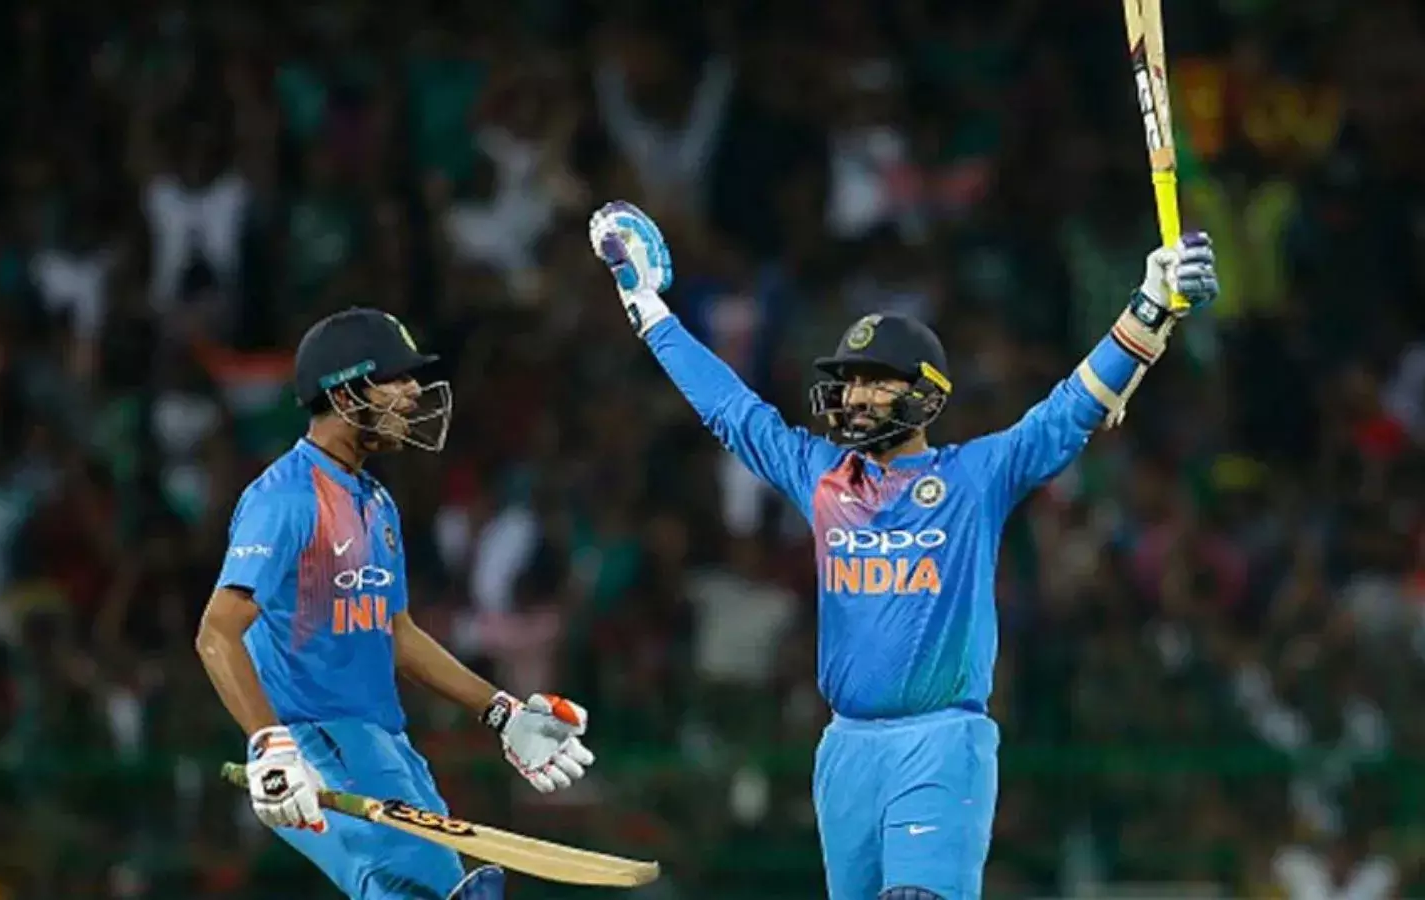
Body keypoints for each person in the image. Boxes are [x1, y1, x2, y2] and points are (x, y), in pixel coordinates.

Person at [588, 201, 1219, 900]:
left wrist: (1149, 307)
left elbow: (1072, 407)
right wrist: (648, 309)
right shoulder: (822, 477)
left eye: (876, 379)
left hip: (939, 743)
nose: (856, 395)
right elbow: (729, 409)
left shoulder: (973, 479)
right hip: (845, 750)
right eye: (850, 380)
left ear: (925, 393)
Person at [195, 307, 596, 900]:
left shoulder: (375, 501)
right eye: (394, 377)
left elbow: (396, 634)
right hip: (318, 744)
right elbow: (217, 632)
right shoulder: (285, 498)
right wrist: (270, 744)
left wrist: (503, 712)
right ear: (345, 392)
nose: (412, 392)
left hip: (384, 744)